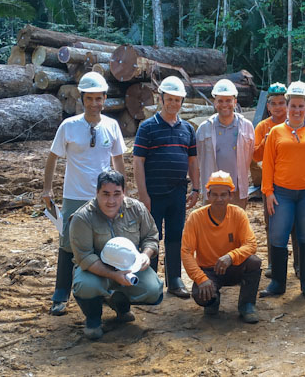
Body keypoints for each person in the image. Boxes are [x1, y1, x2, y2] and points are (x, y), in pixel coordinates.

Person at [42, 72, 126, 316]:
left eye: (98, 98)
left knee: (105, 242)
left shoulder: (112, 126)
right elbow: (52, 158)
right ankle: (60, 293)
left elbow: (118, 161)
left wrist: (123, 195)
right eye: (89, 98)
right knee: (68, 243)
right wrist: (47, 189)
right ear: (82, 99)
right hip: (74, 195)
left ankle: (104, 292)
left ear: (105, 99)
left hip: (104, 197)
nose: (94, 104)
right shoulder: (69, 126)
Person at [69, 171, 164, 340]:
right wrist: (114, 275)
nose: (111, 201)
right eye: (105, 194)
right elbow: (85, 257)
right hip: (96, 270)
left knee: (153, 289)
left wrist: (146, 254)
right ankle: (93, 319)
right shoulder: (82, 217)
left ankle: (119, 304)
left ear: (124, 192)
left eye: (116, 194)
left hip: (130, 267)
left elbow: (151, 237)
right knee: (85, 286)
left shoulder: (136, 209)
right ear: (97, 193)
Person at [259, 81, 305, 300]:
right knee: (278, 236)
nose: (297, 110)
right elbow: (268, 164)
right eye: (293, 106)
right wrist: (268, 192)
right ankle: (278, 283)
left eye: (301, 106)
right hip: (282, 193)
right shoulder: (275, 133)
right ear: (288, 106)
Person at [132, 76, 200, 299]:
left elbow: (192, 161)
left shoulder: (187, 129)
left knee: (175, 236)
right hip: (153, 194)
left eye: (177, 100)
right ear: (161, 99)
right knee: (152, 237)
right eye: (169, 99)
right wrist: (143, 196)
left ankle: (174, 280)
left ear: (182, 101)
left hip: (178, 193)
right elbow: (138, 162)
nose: (173, 104)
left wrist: (196, 188)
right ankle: (150, 281)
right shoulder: (147, 127)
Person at [181, 171, 261, 323]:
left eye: (223, 195)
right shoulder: (196, 218)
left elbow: (251, 244)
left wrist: (231, 257)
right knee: (201, 297)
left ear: (230, 196)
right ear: (208, 195)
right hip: (209, 271)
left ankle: (247, 304)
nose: (219, 199)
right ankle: (213, 299)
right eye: (215, 195)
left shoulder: (238, 214)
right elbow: (186, 252)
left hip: (233, 267)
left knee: (254, 262)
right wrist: (201, 278)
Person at [253, 83, 300, 279]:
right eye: (274, 103)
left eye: (282, 103)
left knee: (297, 225)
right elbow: (255, 155)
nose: (279, 107)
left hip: (294, 182)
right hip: (271, 184)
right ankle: (273, 263)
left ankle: (299, 265)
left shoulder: (297, 123)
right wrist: (266, 140)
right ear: (268, 106)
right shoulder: (263, 126)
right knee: (272, 224)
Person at [196, 79, 255, 208]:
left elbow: (249, 156)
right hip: (212, 190)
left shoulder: (246, 127)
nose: (224, 104)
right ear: (214, 102)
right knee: (212, 226)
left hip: (237, 191)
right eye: (220, 100)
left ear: (235, 102)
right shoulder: (204, 128)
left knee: (236, 226)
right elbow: (199, 158)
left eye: (228, 100)